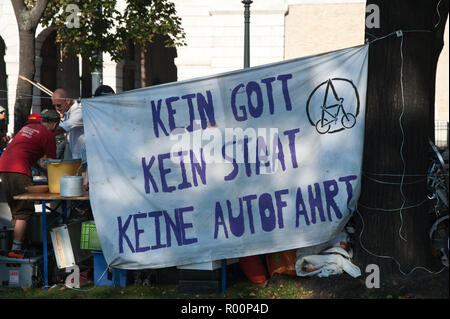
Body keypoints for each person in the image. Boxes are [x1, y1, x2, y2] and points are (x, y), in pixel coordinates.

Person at [0, 109, 60, 258]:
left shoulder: (27, 128)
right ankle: (17, 249)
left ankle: (17, 245)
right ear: (54, 124)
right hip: (19, 170)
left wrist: (41, 170)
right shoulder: (48, 135)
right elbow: (54, 164)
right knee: (23, 211)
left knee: (15, 207)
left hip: (4, 167)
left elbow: (27, 153)